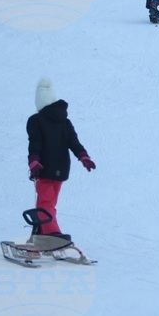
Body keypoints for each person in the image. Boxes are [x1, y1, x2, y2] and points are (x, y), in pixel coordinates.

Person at [26, 78, 96, 241]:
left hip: (43, 168)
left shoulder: (36, 120)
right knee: (49, 202)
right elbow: (74, 142)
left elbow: (35, 142)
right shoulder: (65, 122)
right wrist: (83, 156)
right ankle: (40, 234)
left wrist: (34, 160)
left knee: (45, 203)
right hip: (61, 169)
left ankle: (51, 234)